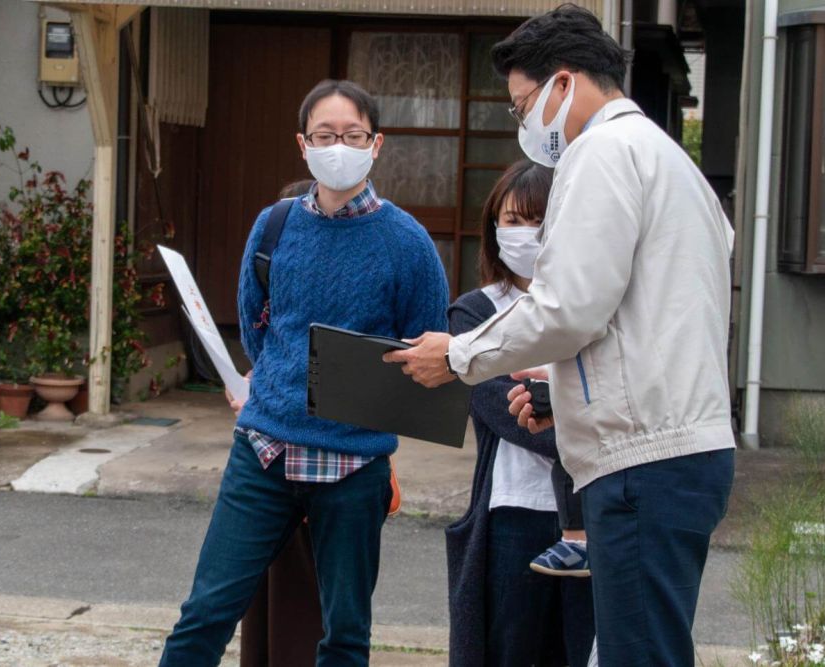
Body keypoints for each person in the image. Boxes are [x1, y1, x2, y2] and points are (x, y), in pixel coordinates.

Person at [384, 5, 736, 665]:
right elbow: (647, 321)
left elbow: (568, 307)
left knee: (638, 654)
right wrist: (566, 388)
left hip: (642, 460)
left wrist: (460, 354)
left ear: (565, 83)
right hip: (684, 449)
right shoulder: (668, 161)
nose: (525, 125)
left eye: (522, 107)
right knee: (643, 647)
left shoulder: (601, 152)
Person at [160, 79, 449, 666]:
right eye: (324, 135)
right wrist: (277, 387)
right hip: (263, 453)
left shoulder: (408, 243)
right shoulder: (274, 226)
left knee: (344, 632)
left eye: (352, 135)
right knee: (205, 613)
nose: (337, 146)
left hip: (355, 465)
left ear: (376, 143)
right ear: (302, 143)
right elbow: (259, 328)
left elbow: (429, 353)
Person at [446, 159, 594, 667]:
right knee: (510, 651)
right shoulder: (476, 312)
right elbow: (504, 412)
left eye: (539, 220)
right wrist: (592, 427)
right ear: (493, 227)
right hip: (512, 511)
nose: (524, 233)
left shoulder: (594, 307)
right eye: (512, 219)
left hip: (592, 516)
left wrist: (560, 404)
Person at [238, 178, 321, 667]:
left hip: (331, 466)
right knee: (264, 600)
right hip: (265, 451)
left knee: (310, 609)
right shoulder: (269, 251)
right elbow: (253, 331)